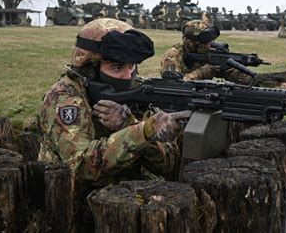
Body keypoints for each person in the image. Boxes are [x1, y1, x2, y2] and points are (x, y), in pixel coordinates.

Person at [38, 18, 190, 228]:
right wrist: (142, 130)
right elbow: (80, 167)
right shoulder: (64, 99)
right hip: (76, 209)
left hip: (129, 202)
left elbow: (167, 164)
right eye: (117, 67)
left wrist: (130, 124)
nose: (128, 75)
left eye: (132, 66)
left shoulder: (138, 89)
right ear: (89, 68)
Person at [160, 19, 252, 84]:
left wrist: (259, 79)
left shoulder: (208, 54)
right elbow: (173, 85)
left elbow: (240, 77)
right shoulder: (173, 55)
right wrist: (202, 73)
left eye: (209, 42)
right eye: (204, 42)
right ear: (191, 42)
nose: (208, 46)